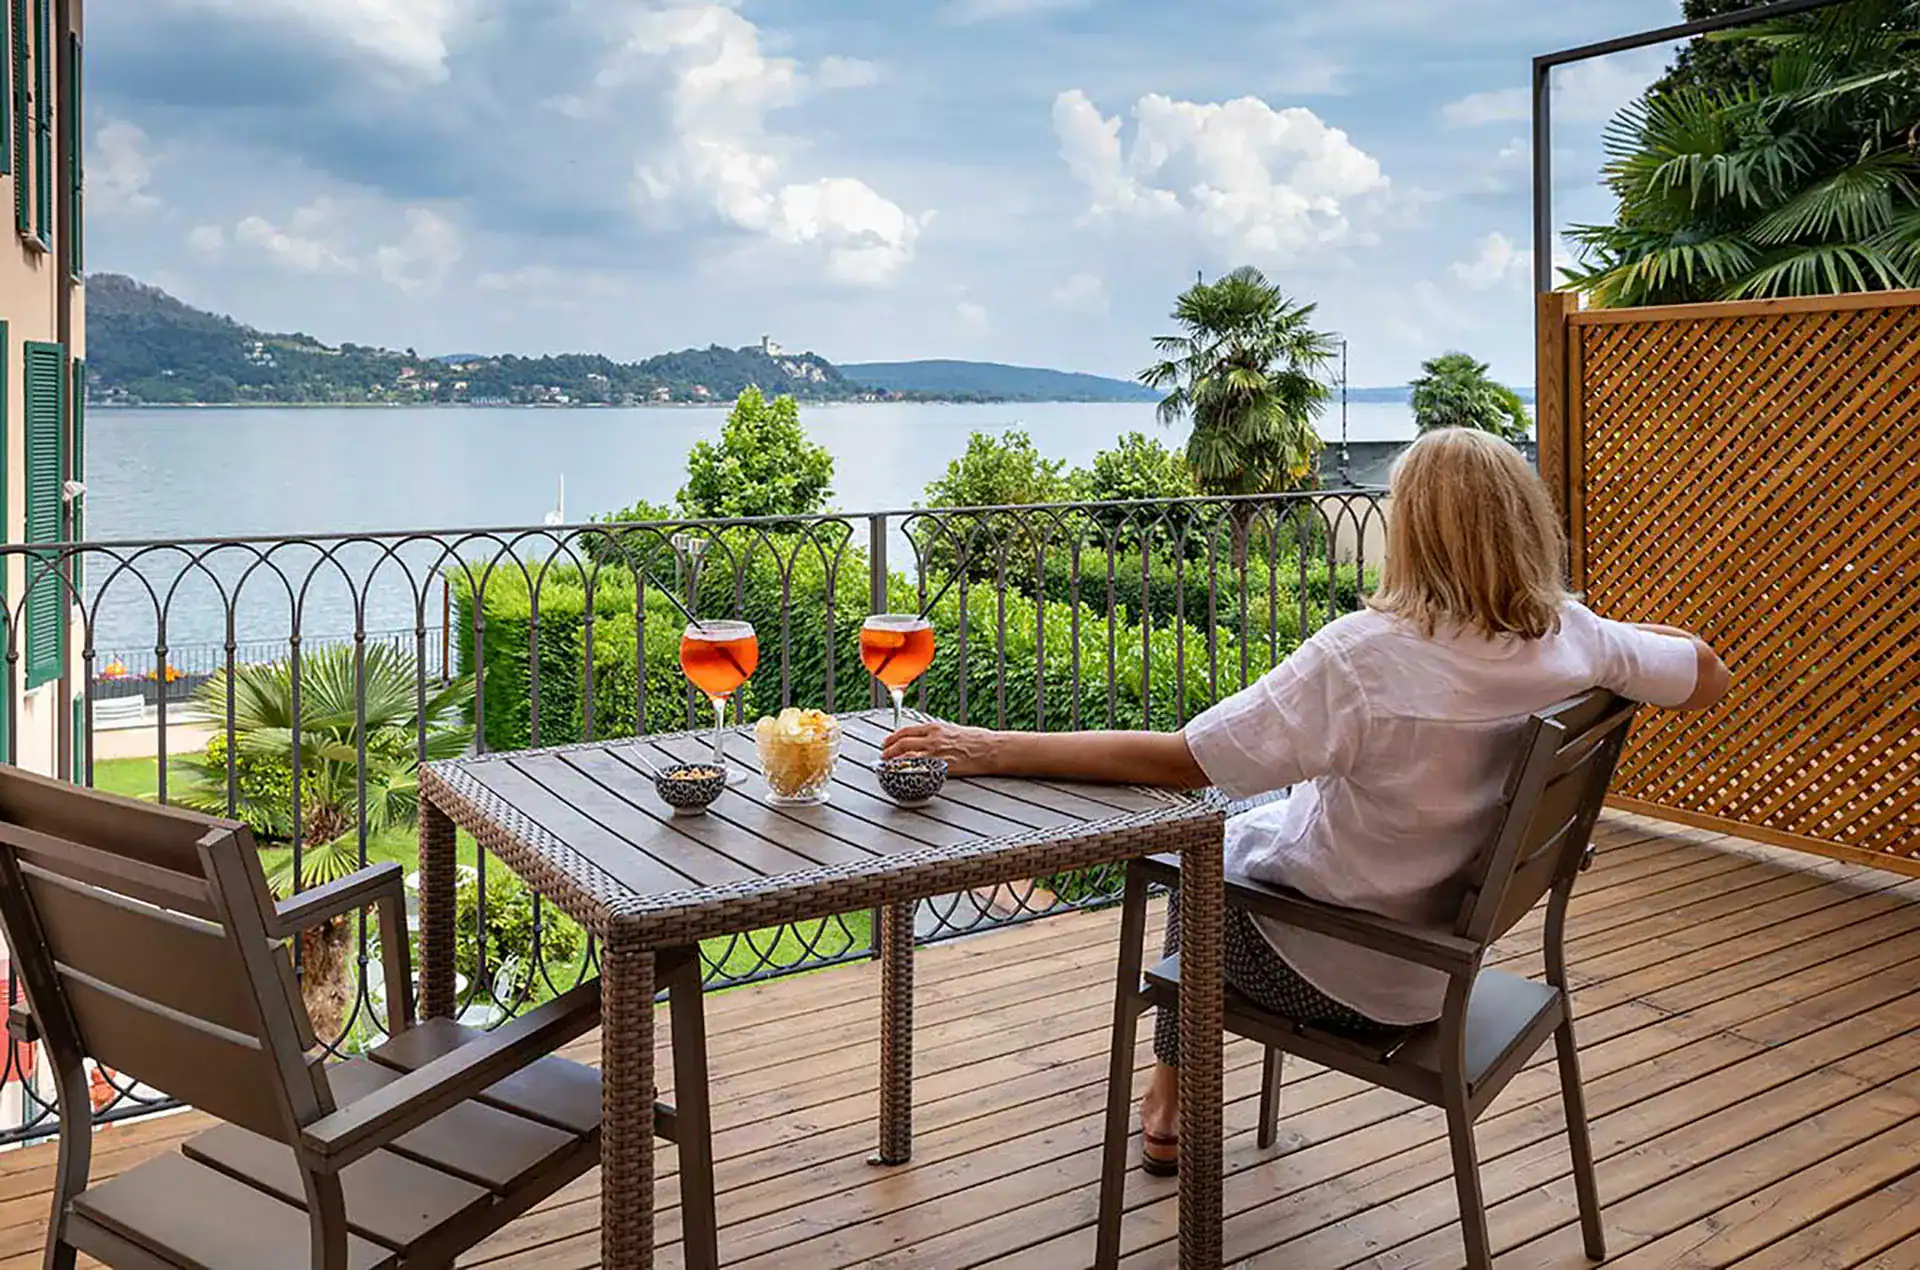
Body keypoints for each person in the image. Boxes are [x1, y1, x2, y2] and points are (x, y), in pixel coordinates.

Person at [882, 427, 1730, 1175]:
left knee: (1194, 869)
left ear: (1414, 533)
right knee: (1230, 847)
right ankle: (1173, 1097)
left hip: (1342, 972)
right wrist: (1618, 638)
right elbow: (1705, 673)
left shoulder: (1363, 658)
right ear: (1526, 525)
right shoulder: (1572, 635)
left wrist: (991, 747)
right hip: (1450, 961)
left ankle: (1171, 1100)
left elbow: (1189, 760)